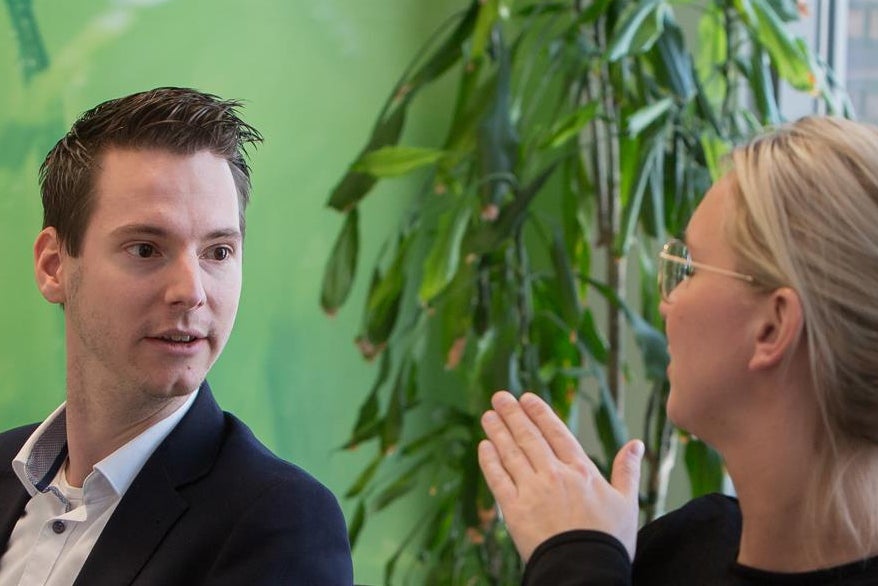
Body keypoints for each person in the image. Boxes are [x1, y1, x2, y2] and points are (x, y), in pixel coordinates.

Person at [478, 116, 878, 585]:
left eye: (690, 268)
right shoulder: (688, 543)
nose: (667, 302)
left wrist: (576, 564)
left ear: (772, 327)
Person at [0, 87, 353, 585]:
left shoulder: (280, 522)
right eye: (145, 249)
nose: (191, 292)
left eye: (218, 252)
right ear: (54, 266)